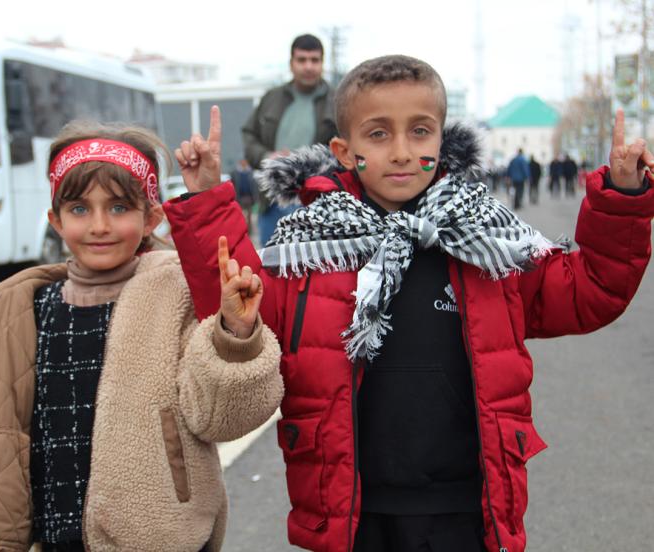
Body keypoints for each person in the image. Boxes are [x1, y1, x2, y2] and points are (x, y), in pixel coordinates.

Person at [165, 55, 654, 552]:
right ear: (344, 150)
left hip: (467, 507)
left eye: (420, 132)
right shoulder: (310, 246)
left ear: (441, 141)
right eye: (378, 134)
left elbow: (590, 290)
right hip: (351, 511)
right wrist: (206, 202)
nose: (401, 152)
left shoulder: (484, 240)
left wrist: (622, 197)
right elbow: (246, 304)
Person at [0, 121, 284, 552]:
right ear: (55, 221)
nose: (99, 225)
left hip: (154, 539)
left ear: (151, 217)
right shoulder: (17, 311)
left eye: (118, 207)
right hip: (50, 540)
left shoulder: (178, 296)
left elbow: (222, 417)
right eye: (79, 209)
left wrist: (234, 334)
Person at [241, 33, 337, 244]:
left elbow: (347, 147)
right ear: (291, 63)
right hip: (272, 201)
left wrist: (311, 165)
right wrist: (267, 156)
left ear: (322, 63)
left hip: (317, 203)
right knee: (270, 261)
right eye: (302, 60)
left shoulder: (337, 101)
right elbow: (249, 134)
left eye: (314, 60)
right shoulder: (271, 97)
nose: (308, 66)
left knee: (314, 263)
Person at [230, 158, 258, 229]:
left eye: (245, 162)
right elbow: (232, 185)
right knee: (239, 216)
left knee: (249, 216)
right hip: (239, 198)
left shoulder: (251, 172)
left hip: (249, 198)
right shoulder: (234, 173)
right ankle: (240, 230)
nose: (244, 164)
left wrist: (255, 197)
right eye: (242, 162)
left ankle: (249, 231)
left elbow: (254, 186)